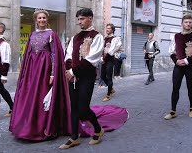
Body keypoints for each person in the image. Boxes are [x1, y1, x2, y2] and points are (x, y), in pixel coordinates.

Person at [9, 9, 71, 140]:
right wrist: (25, 73)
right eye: (39, 18)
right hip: (32, 70)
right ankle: (29, 126)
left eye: (44, 18)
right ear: (36, 20)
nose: (42, 20)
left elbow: (55, 54)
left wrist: (53, 74)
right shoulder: (32, 35)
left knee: (43, 95)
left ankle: (45, 126)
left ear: (47, 19)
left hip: (45, 70)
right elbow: (27, 55)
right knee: (31, 96)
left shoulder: (51, 34)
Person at [60, 8, 105, 149]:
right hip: (73, 77)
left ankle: (98, 129)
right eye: (78, 19)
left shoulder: (97, 37)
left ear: (90, 18)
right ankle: (74, 137)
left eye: (82, 19)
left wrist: (73, 71)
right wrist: (69, 71)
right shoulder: (75, 37)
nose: (79, 22)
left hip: (86, 77)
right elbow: (68, 56)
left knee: (83, 108)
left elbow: (92, 59)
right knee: (73, 107)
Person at [164, 14, 192, 120]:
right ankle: (173, 111)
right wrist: (176, 61)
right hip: (178, 66)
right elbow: (171, 51)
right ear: (182, 23)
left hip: (190, 66)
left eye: (190, 22)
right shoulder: (176, 36)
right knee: (175, 88)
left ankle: (191, 109)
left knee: (190, 87)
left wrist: (187, 61)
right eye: (186, 22)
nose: (188, 24)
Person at [101, 23, 122, 102]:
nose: (107, 29)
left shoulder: (115, 39)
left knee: (109, 77)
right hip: (104, 59)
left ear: (112, 30)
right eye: (106, 28)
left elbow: (112, 51)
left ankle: (109, 94)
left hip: (110, 60)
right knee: (102, 76)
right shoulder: (105, 38)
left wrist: (108, 52)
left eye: (109, 28)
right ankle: (111, 88)